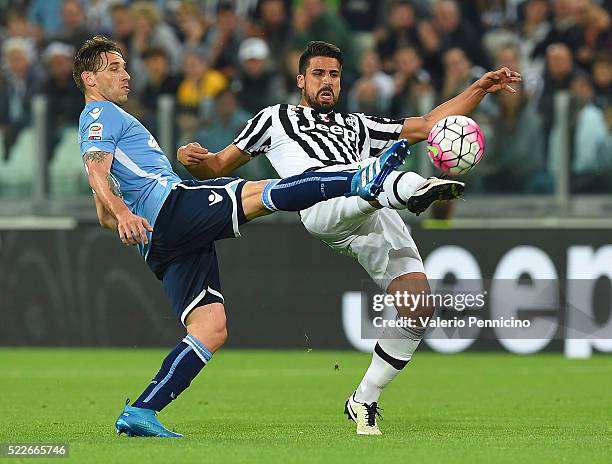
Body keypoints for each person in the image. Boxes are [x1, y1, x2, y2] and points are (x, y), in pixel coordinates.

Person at [73, 35, 417, 438]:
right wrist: (128, 211)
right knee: (261, 192)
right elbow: (97, 172)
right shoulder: (100, 114)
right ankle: (361, 179)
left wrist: (123, 216)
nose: (126, 74)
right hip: (169, 207)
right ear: (89, 79)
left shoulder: (107, 122)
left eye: (124, 65)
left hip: (159, 241)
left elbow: (101, 210)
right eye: (114, 67)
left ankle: (142, 411)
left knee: (210, 328)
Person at [178, 40, 519, 436]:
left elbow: (428, 126)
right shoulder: (275, 118)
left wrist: (479, 87)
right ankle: (409, 187)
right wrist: (196, 161)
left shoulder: (357, 125)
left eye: (335, 75)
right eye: (319, 74)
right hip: (323, 205)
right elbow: (219, 164)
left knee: (418, 307)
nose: (327, 82)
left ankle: (363, 399)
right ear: (301, 80)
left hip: (373, 212)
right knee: (362, 176)